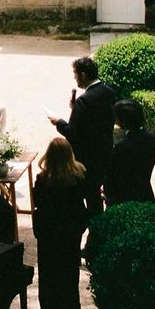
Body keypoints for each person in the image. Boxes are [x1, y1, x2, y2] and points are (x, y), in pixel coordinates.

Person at [48, 56, 116, 217]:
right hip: (105, 152)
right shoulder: (109, 92)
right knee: (97, 197)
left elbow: (73, 133)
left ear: (83, 75)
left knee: (88, 198)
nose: (75, 78)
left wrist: (58, 122)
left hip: (86, 159)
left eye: (75, 74)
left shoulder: (84, 101)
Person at [32, 137, 89, 309]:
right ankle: (71, 303)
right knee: (70, 267)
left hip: (49, 230)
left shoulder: (43, 179)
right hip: (71, 229)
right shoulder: (79, 175)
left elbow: (39, 203)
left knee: (49, 270)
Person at [103, 99, 155, 206]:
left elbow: (111, 177)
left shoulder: (121, 147)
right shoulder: (153, 138)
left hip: (123, 197)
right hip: (145, 192)